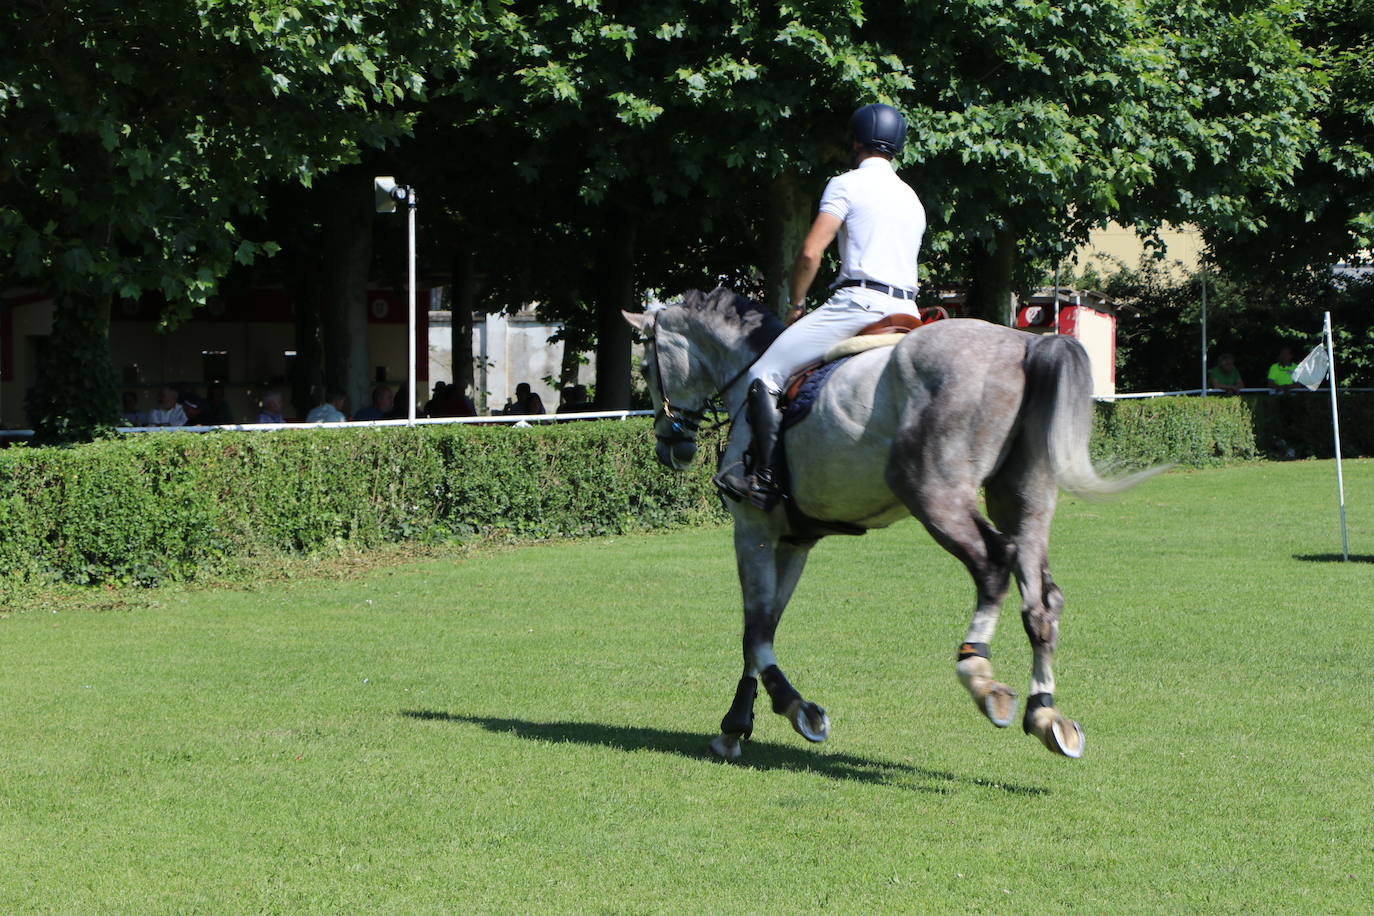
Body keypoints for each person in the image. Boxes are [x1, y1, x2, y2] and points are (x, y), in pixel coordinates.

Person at [715, 102, 926, 509]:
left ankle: (767, 479)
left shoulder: (846, 184)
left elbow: (812, 252)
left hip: (860, 303)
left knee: (764, 373)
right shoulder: (912, 198)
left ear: (856, 141)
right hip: (909, 312)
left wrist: (796, 303)